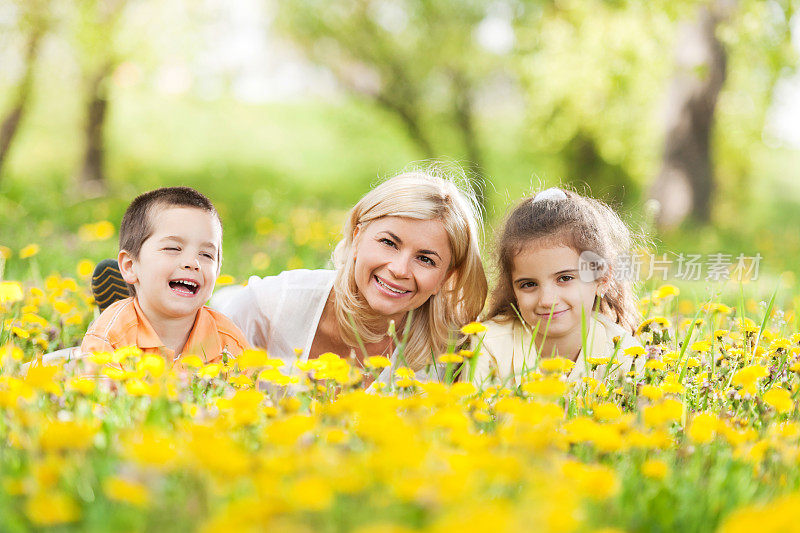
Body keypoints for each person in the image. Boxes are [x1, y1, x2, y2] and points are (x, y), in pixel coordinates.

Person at [213, 170, 487, 386]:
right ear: (357, 239)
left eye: (426, 259)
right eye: (389, 243)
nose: (400, 269)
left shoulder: (451, 352)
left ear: (445, 277)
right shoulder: (270, 305)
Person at [472, 187, 645, 387]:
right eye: (528, 284)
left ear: (602, 278)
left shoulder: (625, 354)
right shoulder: (489, 345)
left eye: (564, 278)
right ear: (512, 288)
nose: (546, 300)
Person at [80, 187, 248, 364]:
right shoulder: (108, 339)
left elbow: (246, 389)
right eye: (173, 248)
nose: (193, 262)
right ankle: (124, 315)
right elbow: (99, 391)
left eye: (206, 255)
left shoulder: (230, 345)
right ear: (130, 266)